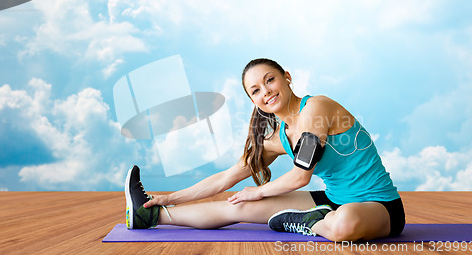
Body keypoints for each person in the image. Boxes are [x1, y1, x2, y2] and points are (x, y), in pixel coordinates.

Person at [125, 58, 405, 242]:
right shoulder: (276, 140)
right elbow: (224, 179)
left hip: (379, 206)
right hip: (331, 200)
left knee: (345, 226)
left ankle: (309, 222)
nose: (266, 92)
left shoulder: (317, 108)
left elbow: (300, 176)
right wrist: (168, 198)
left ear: (287, 77)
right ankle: (149, 216)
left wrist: (258, 191)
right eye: (255, 90)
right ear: (253, 101)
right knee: (239, 206)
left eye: (270, 80)